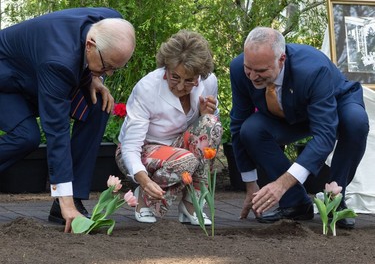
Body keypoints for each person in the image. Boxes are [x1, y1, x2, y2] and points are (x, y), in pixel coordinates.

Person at [0, 7, 136, 233]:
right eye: (107, 66)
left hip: (37, 74)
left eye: (115, 68)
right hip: (7, 83)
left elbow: (98, 61)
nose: (109, 74)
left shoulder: (111, 22)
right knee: (27, 137)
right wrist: (65, 199)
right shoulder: (58, 61)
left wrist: (95, 75)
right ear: (90, 45)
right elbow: (57, 132)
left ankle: (70, 201)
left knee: (98, 105)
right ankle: (65, 203)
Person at [229, 27, 369, 229]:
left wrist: (282, 183)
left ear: (281, 59)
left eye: (261, 71)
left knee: (356, 121)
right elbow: (238, 123)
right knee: (250, 129)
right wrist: (250, 183)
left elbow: (325, 135)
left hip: (335, 105)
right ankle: (295, 203)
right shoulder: (238, 69)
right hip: (289, 114)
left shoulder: (313, 69)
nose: (252, 77)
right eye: (248, 68)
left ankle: (334, 199)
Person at [116, 30, 222, 224]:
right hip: (142, 150)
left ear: (199, 75)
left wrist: (204, 114)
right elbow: (130, 146)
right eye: (175, 77)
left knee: (211, 124)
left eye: (189, 80)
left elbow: (209, 133)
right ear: (166, 67)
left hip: (179, 148)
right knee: (186, 160)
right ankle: (144, 198)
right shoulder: (147, 88)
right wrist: (143, 180)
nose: (181, 86)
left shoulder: (209, 82)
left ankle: (192, 204)